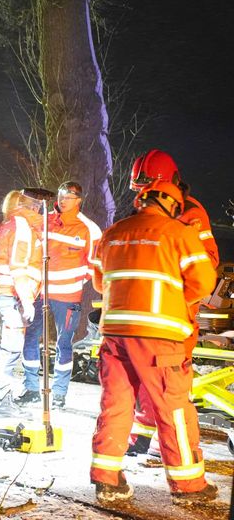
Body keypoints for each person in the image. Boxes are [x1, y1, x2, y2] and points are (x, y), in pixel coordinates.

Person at [89, 179, 217, 504]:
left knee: (116, 404)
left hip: (115, 334)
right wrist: (175, 300)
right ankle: (189, 487)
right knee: (174, 409)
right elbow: (203, 283)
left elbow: (100, 282)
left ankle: (107, 479)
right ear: (171, 203)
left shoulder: (113, 233)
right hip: (160, 339)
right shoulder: (179, 233)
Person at [123, 149, 220, 455]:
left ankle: (169, 447)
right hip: (149, 314)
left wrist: (179, 301)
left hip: (174, 316)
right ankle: (141, 433)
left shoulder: (191, 214)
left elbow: (208, 265)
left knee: (170, 381)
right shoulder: (149, 215)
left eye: (148, 192)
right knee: (145, 377)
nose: (143, 199)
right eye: (140, 193)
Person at [19, 181, 101, 409]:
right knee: (31, 338)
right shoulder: (45, 221)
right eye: (62, 195)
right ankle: (31, 388)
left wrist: (73, 281)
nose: (64, 200)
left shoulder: (89, 229)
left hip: (67, 297)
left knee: (64, 343)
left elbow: (93, 267)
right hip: (39, 292)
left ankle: (59, 393)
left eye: (70, 197)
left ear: (79, 200)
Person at [0, 191, 43, 418]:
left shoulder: (9, 224)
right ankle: (2, 400)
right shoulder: (21, 226)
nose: (40, 208)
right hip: (16, 295)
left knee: (7, 347)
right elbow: (18, 266)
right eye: (36, 204)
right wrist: (27, 299)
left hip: (9, 293)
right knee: (11, 348)